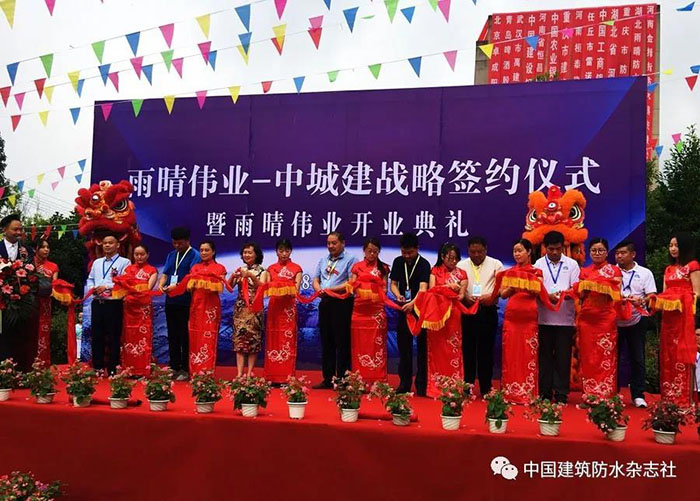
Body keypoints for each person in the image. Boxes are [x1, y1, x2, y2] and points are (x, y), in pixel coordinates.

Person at [534, 230, 580, 404]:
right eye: (551, 249)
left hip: (565, 319)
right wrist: (547, 296)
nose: (554, 252)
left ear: (563, 247)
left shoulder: (572, 264)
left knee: (563, 357)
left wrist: (565, 294)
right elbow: (536, 288)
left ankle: (561, 394)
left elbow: (576, 287)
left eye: (558, 249)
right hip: (543, 318)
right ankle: (544, 393)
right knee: (544, 357)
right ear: (545, 248)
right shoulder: (538, 264)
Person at [457, 236, 503, 395]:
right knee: (468, 350)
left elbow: (502, 288)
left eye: (479, 252)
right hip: (467, 310)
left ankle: (485, 387)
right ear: (468, 250)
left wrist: (490, 297)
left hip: (487, 310)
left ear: (486, 250)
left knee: (486, 351)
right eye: (472, 252)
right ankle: (467, 386)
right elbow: (457, 286)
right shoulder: (461, 265)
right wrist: (465, 296)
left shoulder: (496, 264)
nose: (476, 255)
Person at [577, 237, 622, 399]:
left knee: (605, 354)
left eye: (601, 250)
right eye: (594, 250)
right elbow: (580, 295)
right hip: (587, 318)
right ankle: (589, 394)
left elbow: (617, 294)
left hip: (605, 318)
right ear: (589, 253)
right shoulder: (585, 271)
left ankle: (605, 395)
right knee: (588, 357)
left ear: (607, 252)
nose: (597, 253)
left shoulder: (614, 271)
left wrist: (601, 284)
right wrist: (585, 287)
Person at [498, 239, 541, 404]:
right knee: (511, 355)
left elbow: (539, 291)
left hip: (528, 318)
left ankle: (527, 393)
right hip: (512, 318)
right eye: (515, 251)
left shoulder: (537, 272)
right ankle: (510, 393)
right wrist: (513, 286)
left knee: (527, 354)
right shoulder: (509, 272)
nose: (516, 254)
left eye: (520, 250)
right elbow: (502, 294)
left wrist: (525, 282)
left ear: (529, 252)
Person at [658, 233, 700, 405]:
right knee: (667, 355)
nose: (673, 249)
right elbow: (664, 293)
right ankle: (668, 398)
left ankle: (682, 399)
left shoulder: (693, 266)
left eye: (676, 245)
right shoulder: (668, 269)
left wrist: (680, 298)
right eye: (670, 245)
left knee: (681, 354)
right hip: (668, 318)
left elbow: (697, 293)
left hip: (683, 317)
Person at [614, 240, 656, 408]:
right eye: (617, 253)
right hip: (614, 320)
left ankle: (638, 394)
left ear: (633, 254)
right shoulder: (610, 271)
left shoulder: (645, 273)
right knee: (612, 358)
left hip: (637, 318)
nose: (619, 256)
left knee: (637, 357)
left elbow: (651, 295)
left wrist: (641, 300)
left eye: (623, 253)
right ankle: (612, 392)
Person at [312, 232, 357, 389]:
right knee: (327, 341)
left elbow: (351, 282)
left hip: (342, 303)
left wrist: (330, 290)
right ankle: (328, 378)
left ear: (343, 243)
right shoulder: (323, 260)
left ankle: (343, 379)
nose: (330, 246)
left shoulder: (351, 259)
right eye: (328, 243)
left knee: (342, 341)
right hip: (325, 302)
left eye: (334, 243)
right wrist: (319, 290)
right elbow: (316, 279)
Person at [389, 233, 431, 395]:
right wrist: (398, 295)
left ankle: (421, 384)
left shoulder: (424, 264)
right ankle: (404, 383)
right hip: (403, 310)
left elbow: (423, 289)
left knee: (422, 348)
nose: (406, 256)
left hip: (420, 311)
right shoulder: (398, 262)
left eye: (410, 252)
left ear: (417, 248)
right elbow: (393, 284)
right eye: (404, 252)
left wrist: (412, 303)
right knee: (404, 348)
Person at [159, 226, 201, 381]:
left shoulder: (195, 255)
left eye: (180, 243)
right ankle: (174, 366)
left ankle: (185, 368)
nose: (177, 246)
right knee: (172, 334)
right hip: (171, 300)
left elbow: (192, 277)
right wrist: (161, 285)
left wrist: (177, 286)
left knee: (185, 335)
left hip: (185, 301)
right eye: (174, 243)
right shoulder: (171, 255)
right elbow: (165, 274)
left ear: (187, 241)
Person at [427, 243, 468, 397]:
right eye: (450, 258)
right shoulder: (434, 270)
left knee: (453, 349)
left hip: (453, 314)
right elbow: (431, 290)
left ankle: (454, 387)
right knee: (437, 350)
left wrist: (451, 290)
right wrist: (448, 286)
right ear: (442, 257)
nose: (453, 261)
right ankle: (435, 387)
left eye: (456, 258)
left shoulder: (462, 274)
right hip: (437, 315)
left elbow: (461, 295)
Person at [86, 233, 130, 374]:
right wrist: (93, 288)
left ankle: (113, 367)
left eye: (110, 243)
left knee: (113, 335)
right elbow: (90, 279)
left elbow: (125, 281)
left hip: (113, 303)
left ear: (117, 245)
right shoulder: (97, 262)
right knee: (97, 335)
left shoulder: (125, 262)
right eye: (105, 243)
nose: (107, 245)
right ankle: (97, 367)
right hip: (97, 302)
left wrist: (107, 287)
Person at [348, 237, 390, 385]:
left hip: (376, 311)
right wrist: (361, 286)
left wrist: (373, 287)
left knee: (377, 345)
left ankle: (378, 381)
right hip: (359, 311)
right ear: (364, 251)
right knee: (360, 345)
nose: (372, 254)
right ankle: (359, 381)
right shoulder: (357, 267)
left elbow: (385, 289)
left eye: (375, 251)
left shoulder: (383, 268)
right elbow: (352, 287)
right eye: (369, 251)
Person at [183, 241, 227, 375]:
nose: (203, 253)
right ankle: (194, 372)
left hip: (210, 309)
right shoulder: (195, 268)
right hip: (196, 307)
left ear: (213, 252)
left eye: (207, 250)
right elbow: (189, 287)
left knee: (209, 338)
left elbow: (220, 287)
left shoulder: (219, 268)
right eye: (201, 250)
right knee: (195, 337)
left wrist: (205, 280)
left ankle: (207, 373)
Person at [263, 238, 302, 383]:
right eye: (281, 250)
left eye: (287, 250)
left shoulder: (297, 268)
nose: (284, 253)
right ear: (276, 252)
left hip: (288, 310)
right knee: (273, 339)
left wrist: (281, 285)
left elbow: (296, 290)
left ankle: (287, 377)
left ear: (290, 251)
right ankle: (272, 376)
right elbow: (266, 287)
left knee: (287, 340)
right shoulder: (271, 268)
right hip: (274, 308)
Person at [0, 214, 36, 368]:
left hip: (22, 301)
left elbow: (33, 272)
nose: (19, 232)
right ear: (4, 229)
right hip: (2, 301)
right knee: (4, 335)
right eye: (15, 229)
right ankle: (4, 369)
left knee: (22, 336)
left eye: (21, 229)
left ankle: (22, 370)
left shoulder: (26, 250)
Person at [119, 244, 158, 377]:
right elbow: (123, 286)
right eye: (137, 254)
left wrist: (133, 287)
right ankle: (128, 368)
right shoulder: (128, 269)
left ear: (147, 255)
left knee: (143, 337)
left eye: (142, 254)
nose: (139, 257)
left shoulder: (152, 270)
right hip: (129, 307)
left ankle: (142, 369)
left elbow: (148, 288)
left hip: (143, 307)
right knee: (129, 336)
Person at [230, 242, 265, 378]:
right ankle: (239, 374)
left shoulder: (262, 271)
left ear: (256, 255)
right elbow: (230, 287)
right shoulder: (240, 269)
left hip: (254, 309)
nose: (247, 255)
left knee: (253, 341)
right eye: (245, 252)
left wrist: (250, 275)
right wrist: (233, 276)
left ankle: (250, 373)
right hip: (240, 309)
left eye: (250, 252)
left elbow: (262, 286)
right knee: (239, 341)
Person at [34, 239, 59, 365]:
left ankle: (43, 362)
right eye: (43, 247)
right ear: (36, 249)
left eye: (48, 247)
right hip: (30, 302)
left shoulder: (53, 266)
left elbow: (55, 284)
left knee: (43, 331)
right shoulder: (29, 263)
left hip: (45, 303)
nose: (46, 250)